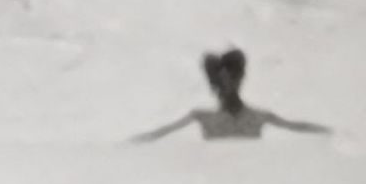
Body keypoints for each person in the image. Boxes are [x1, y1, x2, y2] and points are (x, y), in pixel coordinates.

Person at [131, 48, 329, 142]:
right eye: (222, 83)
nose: (227, 88)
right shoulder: (204, 116)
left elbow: (156, 134)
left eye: (231, 80)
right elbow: (156, 134)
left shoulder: (257, 117)